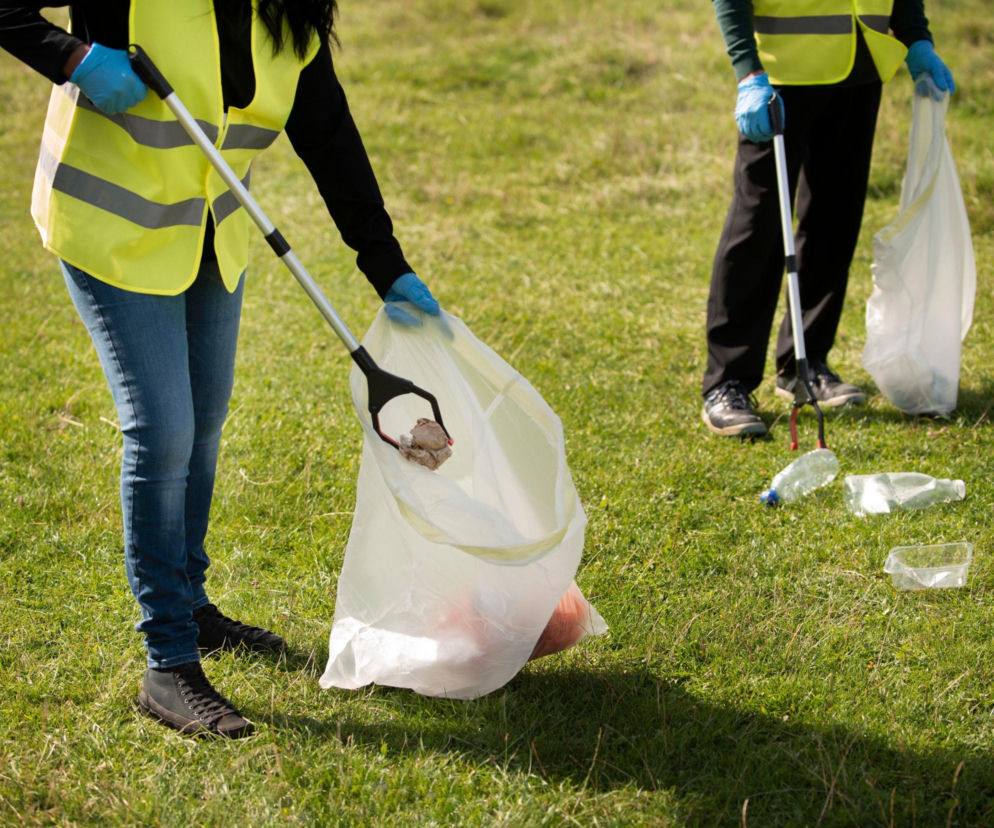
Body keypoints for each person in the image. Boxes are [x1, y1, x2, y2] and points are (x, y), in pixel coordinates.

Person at [0, 0, 441, 738]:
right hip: (109, 226)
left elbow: (328, 134)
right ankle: (168, 660)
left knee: (203, 425)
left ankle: (192, 606)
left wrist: (385, 265)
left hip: (207, 231)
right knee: (163, 430)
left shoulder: (289, 15)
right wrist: (71, 57)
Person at [701, 0, 955, 437]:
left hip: (861, 68)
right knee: (758, 224)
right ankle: (727, 382)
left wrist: (916, 39)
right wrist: (747, 70)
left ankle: (805, 363)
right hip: (782, 76)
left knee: (835, 219)